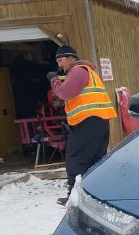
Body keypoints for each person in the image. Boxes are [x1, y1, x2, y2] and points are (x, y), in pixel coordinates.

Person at [47, 45, 117, 205]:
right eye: (57, 61)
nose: (59, 65)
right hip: (99, 121)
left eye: (61, 60)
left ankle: (75, 197)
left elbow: (64, 92)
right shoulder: (88, 71)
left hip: (87, 122)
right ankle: (96, 194)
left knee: (76, 159)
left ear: (71, 58)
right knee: (95, 160)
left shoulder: (78, 71)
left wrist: (54, 80)